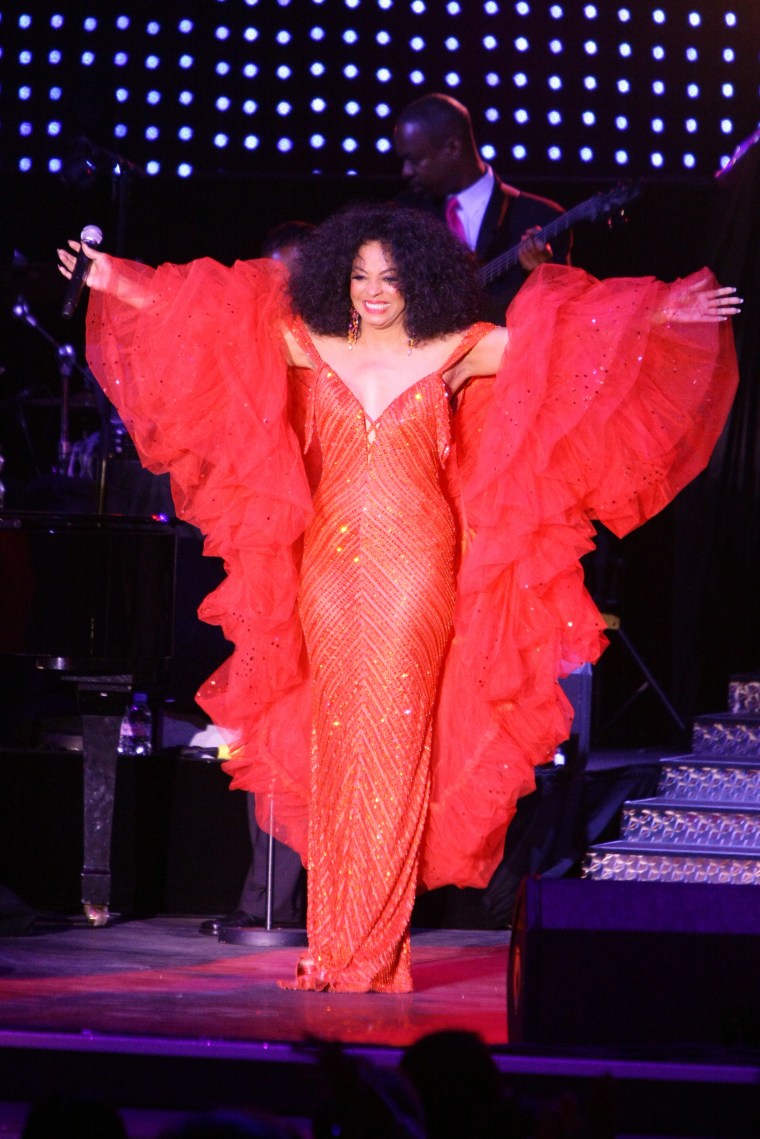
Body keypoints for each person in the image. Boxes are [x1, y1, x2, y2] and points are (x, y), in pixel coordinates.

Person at [58, 201, 740, 993]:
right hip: (328, 568)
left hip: (418, 566)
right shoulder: (306, 343)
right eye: (359, 275)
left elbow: (573, 352)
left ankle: (374, 947)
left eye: (388, 276)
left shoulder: (456, 350)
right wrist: (113, 277)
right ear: (338, 281)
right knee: (339, 739)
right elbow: (203, 321)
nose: (374, 290)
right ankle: (337, 943)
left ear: (417, 279)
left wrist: (665, 310)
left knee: (398, 739)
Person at [199, 221, 313, 939]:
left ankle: (293, 899)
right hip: (268, 568)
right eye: (268, 279)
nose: (280, 293)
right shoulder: (249, 351)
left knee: (312, 727)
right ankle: (266, 900)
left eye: (292, 280)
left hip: (339, 558)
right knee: (266, 724)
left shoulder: (339, 347)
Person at [394, 92, 570, 321]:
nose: (405, 172)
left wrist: (544, 276)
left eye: (415, 159)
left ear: (453, 148)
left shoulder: (541, 216)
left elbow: (566, 315)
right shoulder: (404, 217)